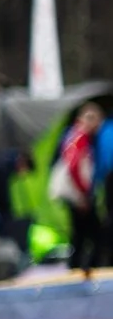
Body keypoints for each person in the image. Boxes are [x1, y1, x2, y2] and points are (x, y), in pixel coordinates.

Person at [56, 104, 104, 270]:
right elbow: (74, 167)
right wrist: (83, 194)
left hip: (76, 194)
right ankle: (84, 266)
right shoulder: (79, 137)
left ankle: (78, 266)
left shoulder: (71, 135)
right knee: (93, 233)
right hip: (77, 194)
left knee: (80, 233)